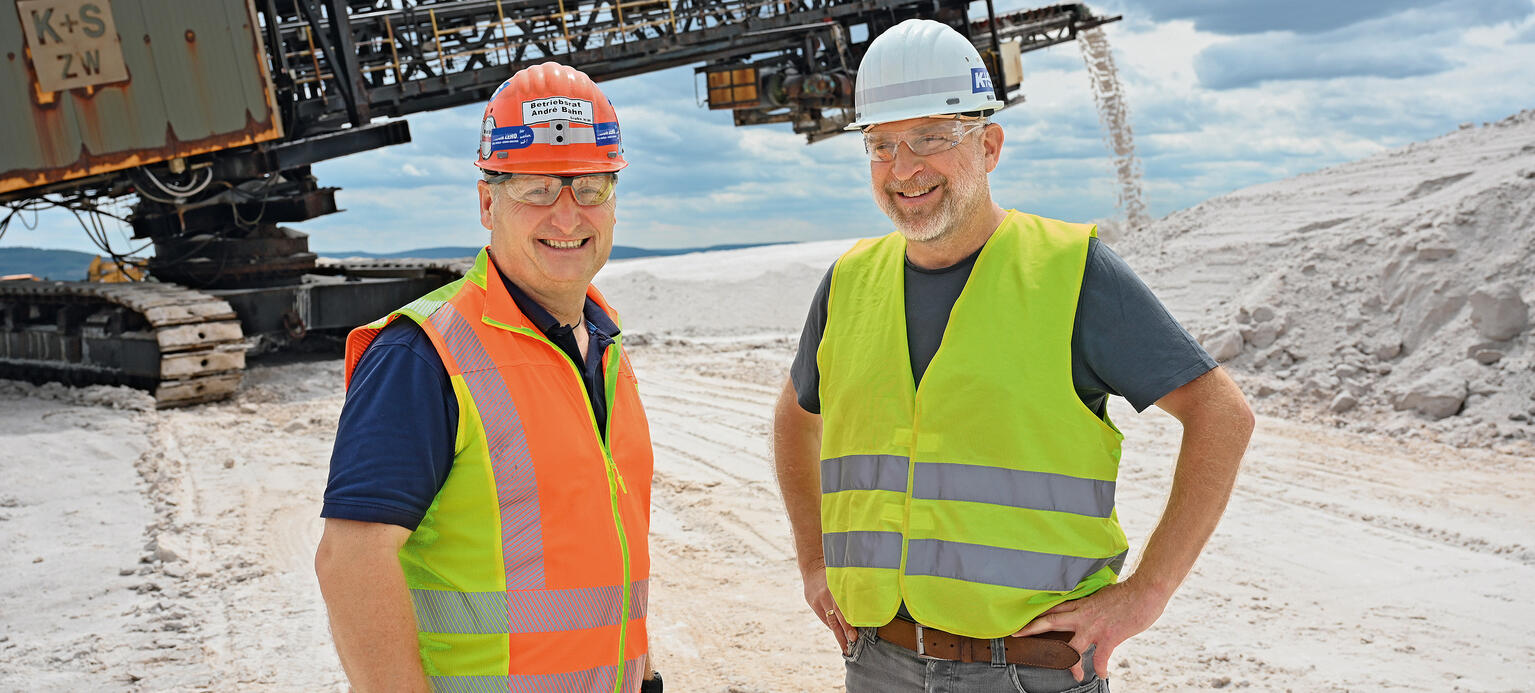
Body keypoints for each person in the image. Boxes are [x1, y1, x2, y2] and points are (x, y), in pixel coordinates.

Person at [771, 19, 1255, 693]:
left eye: (932, 138)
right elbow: (796, 415)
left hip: (1025, 672)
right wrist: (814, 561)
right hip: (877, 661)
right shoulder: (849, 281)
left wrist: (1146, 592)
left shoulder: (1068, 271)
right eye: (881, 145)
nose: (903, 168)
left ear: (989, 144)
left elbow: (1220, 414)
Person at [315, 62, 660, 693]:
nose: (567, 218)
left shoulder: (602, 343)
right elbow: (351, 561)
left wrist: (646, 675)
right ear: (486, 202)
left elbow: (606, 548)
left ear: (613, 202)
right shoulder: (424, 356)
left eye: (589, 188)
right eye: (535, 190)